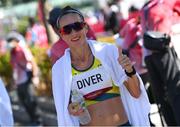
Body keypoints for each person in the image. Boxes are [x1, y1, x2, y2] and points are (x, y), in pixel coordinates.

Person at [51, 6, 150, 126]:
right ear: (61, 35)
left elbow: (136, 93)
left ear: (85, 27)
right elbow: (64, 110)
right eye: (67, 30)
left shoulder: (108, 53)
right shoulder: (60, 69)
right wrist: (71, 109)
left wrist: (130, 71)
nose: (74, 33)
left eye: (77, 26)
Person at [141, 0, 180, 125]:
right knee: (175, 91)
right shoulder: (163, 4)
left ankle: (171, 123)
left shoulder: (145, 7)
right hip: (163, 51)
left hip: (148, 54)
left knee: (161, 95)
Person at [6, 31, 41, 125]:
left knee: (31, 100)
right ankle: (32, 120)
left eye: (11, 40)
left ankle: (38, 121)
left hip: (27, 78)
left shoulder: (23, 49)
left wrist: (35, 76)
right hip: (19, 81)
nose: (10, 43)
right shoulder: (12, 53)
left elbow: (32, 62)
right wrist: (13, 82)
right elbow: (14, 68)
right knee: (24, 101)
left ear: (16, 41)